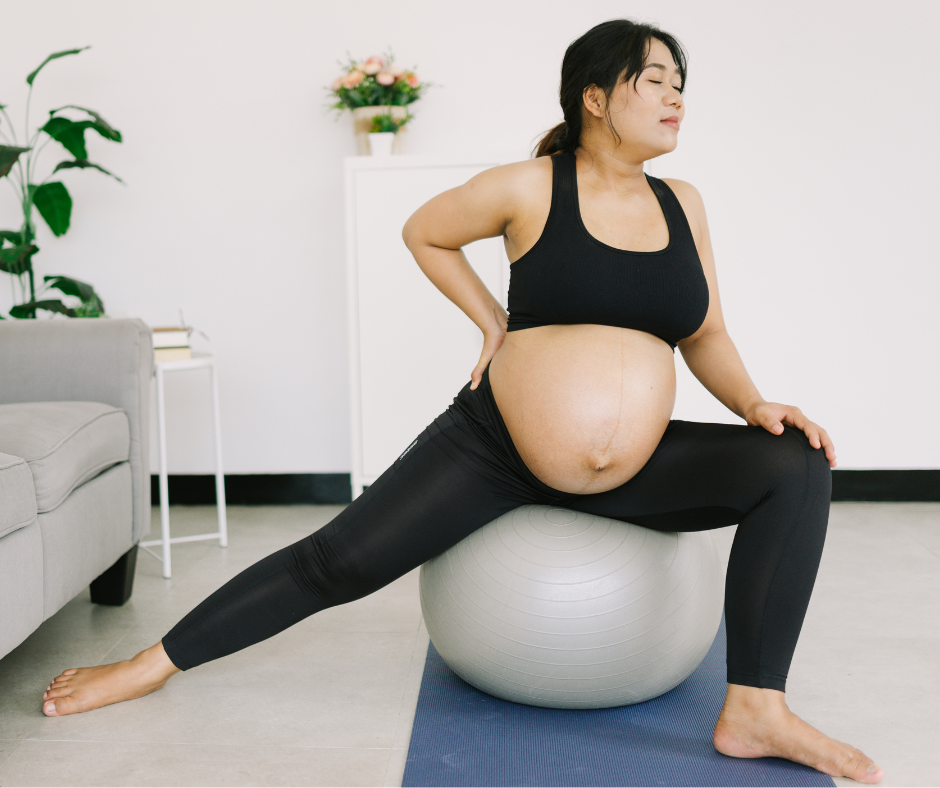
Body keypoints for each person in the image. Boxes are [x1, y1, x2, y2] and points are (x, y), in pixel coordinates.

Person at [39, 18, 883, 785]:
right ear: (596, 97)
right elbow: (425, 228)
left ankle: (755, 710)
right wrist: (492, 322)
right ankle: (149, 664)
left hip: (638, 465)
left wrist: (758, 405)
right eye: (655, 79)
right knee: (338, 561)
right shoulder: (530, 186)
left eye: (679, 83)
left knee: (795, 461)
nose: (676, 97)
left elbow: (705, 334)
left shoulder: (682, 203)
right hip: (496, 449)